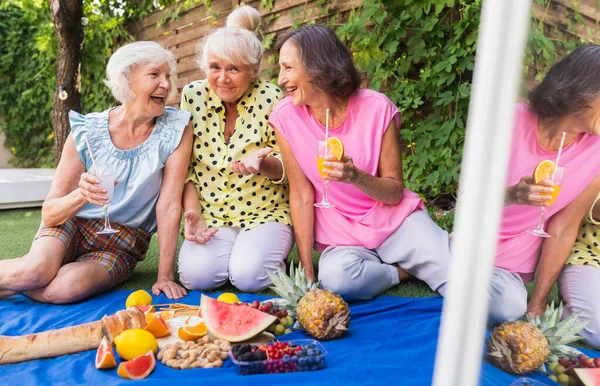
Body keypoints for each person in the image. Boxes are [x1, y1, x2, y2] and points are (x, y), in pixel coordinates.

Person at [0, 41, 193, 303]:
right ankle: (32, 272)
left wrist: (165, 275)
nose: (166, 84)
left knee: (63, 289)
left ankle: (24, 278)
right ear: (127, 80)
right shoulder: (87, 130)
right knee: (36, 271)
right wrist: (81, 195)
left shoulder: (176, 129)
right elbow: (50, 211)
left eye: (168, 76)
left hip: (123, 242)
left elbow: (169, 206)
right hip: (72, 224)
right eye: (154, 74)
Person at [270, 25, 451, 300]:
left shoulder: (378, 108)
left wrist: (356, 177)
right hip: (341, 233)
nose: (281, 79)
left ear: (318, 67)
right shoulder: (285, 116)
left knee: (453, 272)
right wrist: (307, 271)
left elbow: (394, 193)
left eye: (287, 67)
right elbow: (301, 195)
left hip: (394, 220)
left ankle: (436, 249)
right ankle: (403, 271)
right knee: (337, 279)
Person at [178, 6, 293, 292]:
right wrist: (194, 215)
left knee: (248, 278)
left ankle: (268, 257)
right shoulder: (192, 96)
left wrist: (264, 164)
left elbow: (288, 167)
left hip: (265, 211)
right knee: (196, 278)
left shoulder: (272, 97)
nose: (223, 78)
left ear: (253, 70)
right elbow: (188, 168)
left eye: (234, 69)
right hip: (214, 215)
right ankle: (241, 254)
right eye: (215, 67)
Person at [492, 44, 600, 325]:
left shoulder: (597, 152)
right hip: (472, 242)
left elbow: (564, 228)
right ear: (581, 92)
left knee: (507, 306)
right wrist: (512, 195)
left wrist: (537, 305)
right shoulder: (510, 121)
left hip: (511, 268)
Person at [559, 194, 600, 348]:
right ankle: (567, 311)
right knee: (598, 333)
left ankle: (582, 305)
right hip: (589, 256)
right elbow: (587, 205)